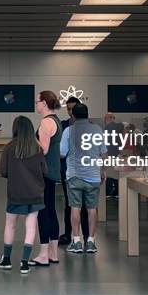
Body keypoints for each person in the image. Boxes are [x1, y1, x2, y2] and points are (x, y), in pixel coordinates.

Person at [0, 116, 46, 274]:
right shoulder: (37, 148)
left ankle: (6, 259)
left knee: (10, 225)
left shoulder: (9, 148)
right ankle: (24, 263)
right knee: (31, 226)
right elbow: (45, 171)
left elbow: (2, 171)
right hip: (35, 193)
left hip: (15, 193)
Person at [60, 103, 106, 253]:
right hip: (93, 176)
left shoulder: (69, 131)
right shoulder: (97, 130)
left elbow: (62, 153)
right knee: (92, 209)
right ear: (88, 115)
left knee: (75, 208)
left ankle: (77, 241)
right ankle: (91, 242)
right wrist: (102, 171)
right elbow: (103, 153)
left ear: (72, 115)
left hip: (74, 176)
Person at [29, 90, 62, 267]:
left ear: (44, 103)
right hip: (53, 172)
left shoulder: (45, 123)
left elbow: (43, 149)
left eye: (37, 102)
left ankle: (42, 254)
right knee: (51, 212)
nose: (36, 105)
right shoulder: (56, 121)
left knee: (43, 212)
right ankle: (53, 253)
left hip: (44, 173)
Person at [58, 97, 89, 246]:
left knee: (85, 204)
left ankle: (87, 235)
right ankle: (68, 234)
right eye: (68, 109)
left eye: (73, 109)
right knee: (70, 204)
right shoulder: (63, 125)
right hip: (67, 170)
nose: (70, 112)